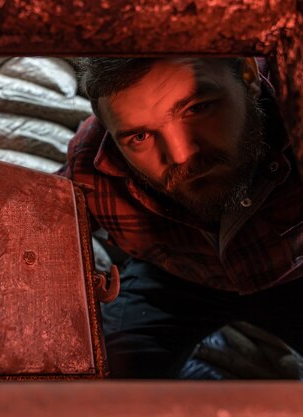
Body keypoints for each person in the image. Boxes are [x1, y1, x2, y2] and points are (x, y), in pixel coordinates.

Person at [57, 57, 302, 378]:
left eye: (198, 109)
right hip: (178, 277)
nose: (181, 154)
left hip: (293, 276)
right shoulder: (94, 166)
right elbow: (34, 230)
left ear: (248, 74)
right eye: (140, 137)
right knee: (104, 382)